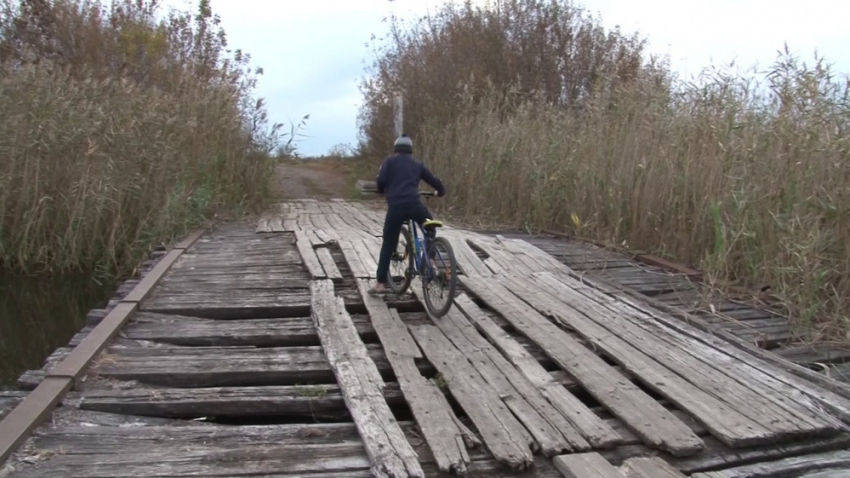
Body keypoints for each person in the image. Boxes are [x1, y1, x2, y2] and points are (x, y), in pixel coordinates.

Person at [369, 134, 446, 295]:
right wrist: (440, 191)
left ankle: (380, 284)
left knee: (388, 242)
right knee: (430, 226)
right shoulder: (417, 164)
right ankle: (429, 258)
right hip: (415, 205)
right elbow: (434, 181)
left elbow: (381, 181)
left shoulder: (389, 161)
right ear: (411, 150)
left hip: (396, 207)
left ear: (395, 149)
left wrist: (381, 190)